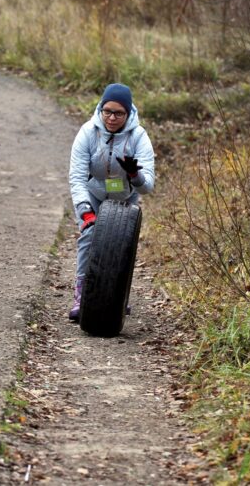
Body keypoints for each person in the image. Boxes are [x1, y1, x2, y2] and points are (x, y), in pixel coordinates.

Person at [68, 83, 155, 322]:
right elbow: (76, 177)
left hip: (124, 197)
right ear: (100, 109)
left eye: (119, 113)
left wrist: (135, 175)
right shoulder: (88, 132)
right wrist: (85, 211)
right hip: (94, 192)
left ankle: (118, 297)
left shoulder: (139, 136)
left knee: (122, 246)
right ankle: (81, 294)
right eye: (107, 111)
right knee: (88, 235)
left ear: (128, 114)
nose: (112, 118)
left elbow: (147, 186)